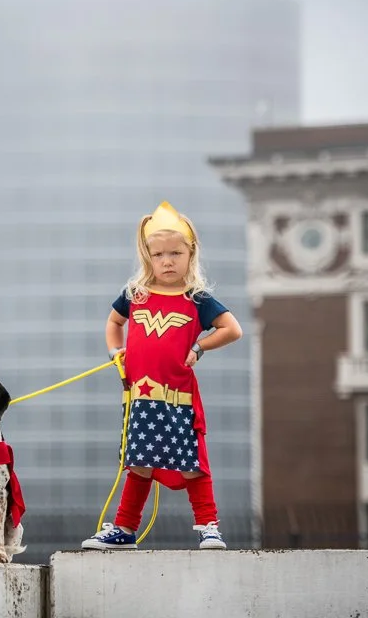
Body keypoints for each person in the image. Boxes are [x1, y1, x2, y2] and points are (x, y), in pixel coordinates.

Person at [81, 200, 243, 550]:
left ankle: (208, 525)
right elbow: (113, 322)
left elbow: (232, 329)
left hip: (179, 399)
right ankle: (125, 528)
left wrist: (200, 347)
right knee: (138, 463)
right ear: (147, 256)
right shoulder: (136, 294)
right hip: (141, 399)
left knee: (193, 464)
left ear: (190, 253)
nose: (167, 261)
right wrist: (115, 352)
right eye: (158, 255)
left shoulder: (197, 298)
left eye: (175, 253)